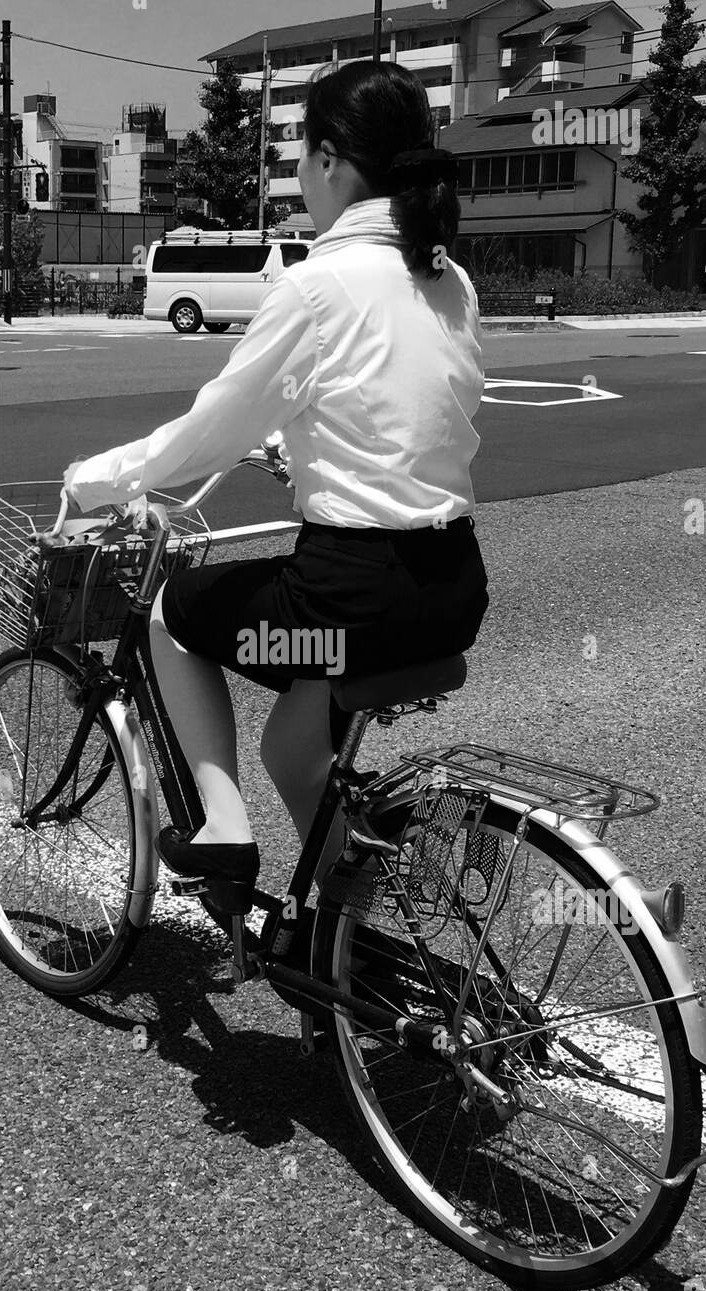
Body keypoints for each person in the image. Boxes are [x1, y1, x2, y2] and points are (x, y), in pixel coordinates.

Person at [63, 60, 489, 907]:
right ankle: (342, 945)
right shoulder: (448, 278)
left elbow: (208, 431)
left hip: (345, 604)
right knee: (293, 751)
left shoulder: (319, 284)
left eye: (299, 156)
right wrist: (311, 457)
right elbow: (416, 416)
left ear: (330, 160)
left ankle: (222, 827)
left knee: (170, 616)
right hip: (447, 589)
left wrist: (99, 478)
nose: (299, 176)